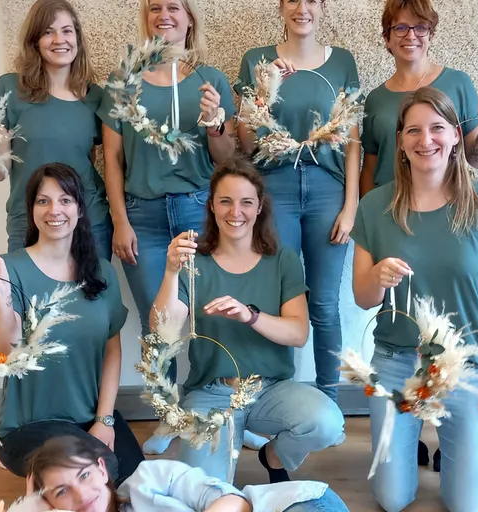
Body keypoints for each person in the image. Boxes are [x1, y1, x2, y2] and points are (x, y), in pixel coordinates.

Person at [349, 87, 478, 512]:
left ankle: (448, 447)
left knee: (465, 506)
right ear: (402, 141)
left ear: (456, 135)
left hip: (465, 362)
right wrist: (377, 277)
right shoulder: (373, 207)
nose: (427, 140)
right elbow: (363, 298)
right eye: (414, 131)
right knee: (391, 499)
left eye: (437, 128)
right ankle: (412, 448)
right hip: (395, 360)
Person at [151, 158, 345, 484]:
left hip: (271, 389)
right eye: (225, 201)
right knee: (202, 492)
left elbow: (298, 333)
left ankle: (273, 456)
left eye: (245, 202)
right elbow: (162, 331)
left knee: (327, 423)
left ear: (259, 208)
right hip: (211, 394)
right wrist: (171, 272)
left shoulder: (282, 260)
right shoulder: (193, 261)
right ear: (212, 205)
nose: (235, 212)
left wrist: (250, 316)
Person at [98, 0, 236, 455]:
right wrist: (120, 220)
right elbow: (112, 161)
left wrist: (216, 124)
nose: (165, 15)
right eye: (155, 7)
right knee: (159, 326)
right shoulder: (124, 81)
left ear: (189, 17)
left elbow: (225, 158)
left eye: (174, 7)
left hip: (200, 210)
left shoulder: (210, 79)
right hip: (143, 216)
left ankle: (210, 413)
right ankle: (169, 416)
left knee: (206, 317)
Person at [0, 163, 144, 486]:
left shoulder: (103, 272)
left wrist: (104, 420)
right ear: (32, 210)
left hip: (88, 418)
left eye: (65, 200)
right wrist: (0, 290)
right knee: (97, 474)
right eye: (43, 201)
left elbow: (112, 351)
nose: (55, 210)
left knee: (136, 481)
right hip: (28, 425)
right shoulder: (10, 268)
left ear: (80, 209)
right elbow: (5, 351)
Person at [234, 0, 360, 407]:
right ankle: (277, 399)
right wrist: (266, 95)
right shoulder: (256, 60)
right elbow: (247, 143)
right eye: (293, 0)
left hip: (327, 189)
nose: (301, 8)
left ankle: (329, 400)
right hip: (274, 190)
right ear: (281, 7)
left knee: (323, 301)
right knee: (278, 300)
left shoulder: (342, 62)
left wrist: (351, 204)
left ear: (322, 7)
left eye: (311, 0)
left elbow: (352, 139)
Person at [0, 0, 112, 259]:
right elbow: (2, 171)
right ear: (34, 41)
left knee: (91, 299)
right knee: (27, 300)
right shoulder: (10, 89)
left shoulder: (95, 98)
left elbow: (96, 159)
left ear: (78, 39)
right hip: (28, 223)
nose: (59, 39)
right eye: (48, 32)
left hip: (88, 223)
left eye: (67, 31)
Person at [359, 0, 478, 198]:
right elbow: (370, 170)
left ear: (431, 35)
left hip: (445, 209)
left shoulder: (458, 83)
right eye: (400, 28)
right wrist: (367, 218)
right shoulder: (375, 99)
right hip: (387, 213)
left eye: (421, 27)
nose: (411, 35)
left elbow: (476, 160)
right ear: (387, 38)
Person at [4, 435, 349, 511]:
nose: (81, 495)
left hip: (299, 505)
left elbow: (231, 501)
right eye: (61, 492)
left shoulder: (148, 479)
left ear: (100, 468)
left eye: (83, 477)